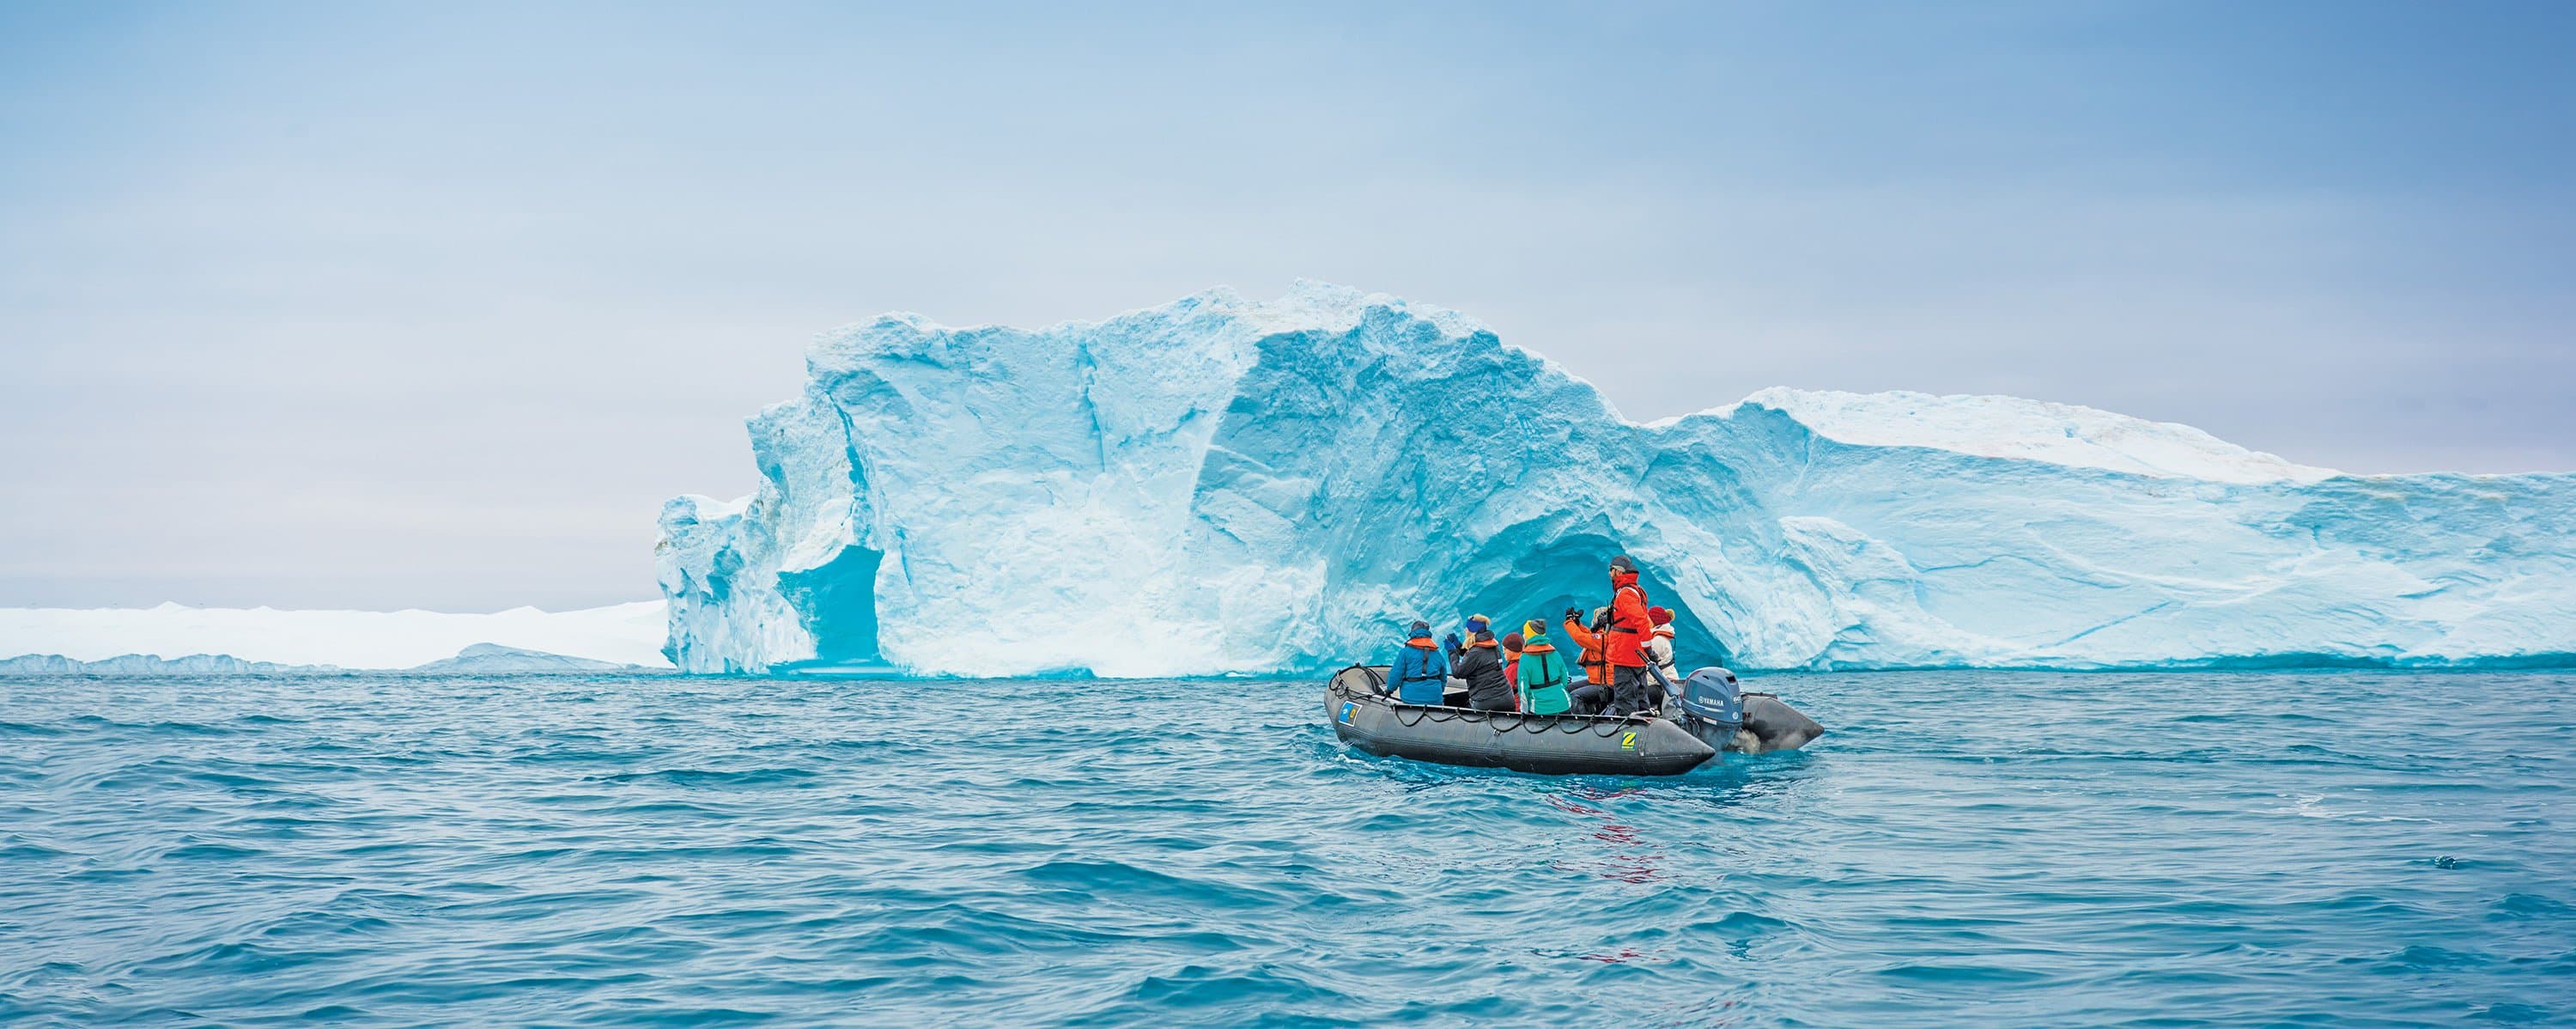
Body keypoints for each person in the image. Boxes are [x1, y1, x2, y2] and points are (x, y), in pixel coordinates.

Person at [1603, 555, 1656, 715]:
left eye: (1611, 570)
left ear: (1618, 572)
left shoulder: (1625, 593)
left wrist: (1648, 649)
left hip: (1626, 654)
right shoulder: (1634, 590)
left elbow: (1641, 620)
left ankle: (1629, 733)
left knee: (1625, 698)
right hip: (1635, 655)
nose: (1609, 574)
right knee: (1640, 696)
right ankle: (1646, 729)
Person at [1449, 624, 1514, 711]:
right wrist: (1458, 645)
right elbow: (1473, 658)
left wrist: (1451, 651)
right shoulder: (1494, 647)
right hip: (1507, 697)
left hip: (1486, 701)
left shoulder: (1475, 653)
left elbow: (1457, 672)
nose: (1465, 631)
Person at [1516, 619, 1574, 715]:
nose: (1523, 635)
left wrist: (1524, 712)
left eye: (1525, 633)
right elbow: (1565, 677)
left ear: (1529, 636)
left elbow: (1523, 688)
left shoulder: (1525, 658)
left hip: (1539, 709)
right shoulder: (1555, 653)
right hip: (1563, 704)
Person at [1560, 605, 1613, 710]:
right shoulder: (1602, 636)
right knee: (1566, 689)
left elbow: (1580, 637)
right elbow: (1589, 634)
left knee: (1576, 695)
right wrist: (1577, 624)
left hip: (1608, 684)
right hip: (1596, 680)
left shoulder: (1604, 638)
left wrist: (1569, 621)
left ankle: (1583, 723)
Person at [1388, 620, 1448, 704]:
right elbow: (1443, 677)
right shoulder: (1437, 653)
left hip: (1410, 698)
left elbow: (1396, 674)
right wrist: (1438, 689)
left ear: (1413, 633)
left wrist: (1390, 690)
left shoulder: (1405, 652)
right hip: (1435, 698)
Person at [1641, 606, 1680, 709]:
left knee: (1636, 696)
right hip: (1664, 682)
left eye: (1648, 618)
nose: (1646, 621)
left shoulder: (1658, 640)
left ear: (1655, 621)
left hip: (1661, 685)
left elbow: (1644, 661)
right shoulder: (1660, 638)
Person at [1500, 630, 1525, 701]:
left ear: (1512, 650)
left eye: (1505, 649)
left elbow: (1501, 692)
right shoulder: (1527, 663)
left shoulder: (1512, 669)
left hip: (1516, 708)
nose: (1503, 652)